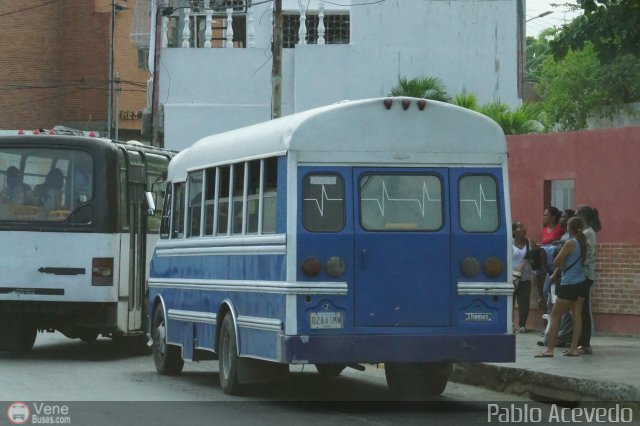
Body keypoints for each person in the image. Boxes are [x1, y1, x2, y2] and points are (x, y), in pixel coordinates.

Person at [535, 216, 587, 358]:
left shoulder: (570, 242)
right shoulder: (583, 242)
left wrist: (561, 266)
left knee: (556, 316)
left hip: (568, 283)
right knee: (576, 316)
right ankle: (573, 349)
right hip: (581, 283)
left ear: (570, 228)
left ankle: (550, 349)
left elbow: (557, 261)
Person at [576, 205, 601, 355]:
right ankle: (582, 342)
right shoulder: (588, 232)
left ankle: (584, 343)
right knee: (582, 309)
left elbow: (585, 255)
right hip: (585, 275)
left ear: (582, 217)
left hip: (585, 275)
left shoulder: (587, 233)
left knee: (583, 310)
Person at [512, 222, 533, 333]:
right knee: (510, 301)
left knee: (524, 302)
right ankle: (510, 323)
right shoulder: (509, 243)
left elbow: (533, 257)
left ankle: (522, 325)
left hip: (525, 278)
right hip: (512, 278)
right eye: (520, 227)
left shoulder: (529, 243)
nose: (524, 229)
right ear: (514, 232)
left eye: (524, 226)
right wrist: (514, 275)